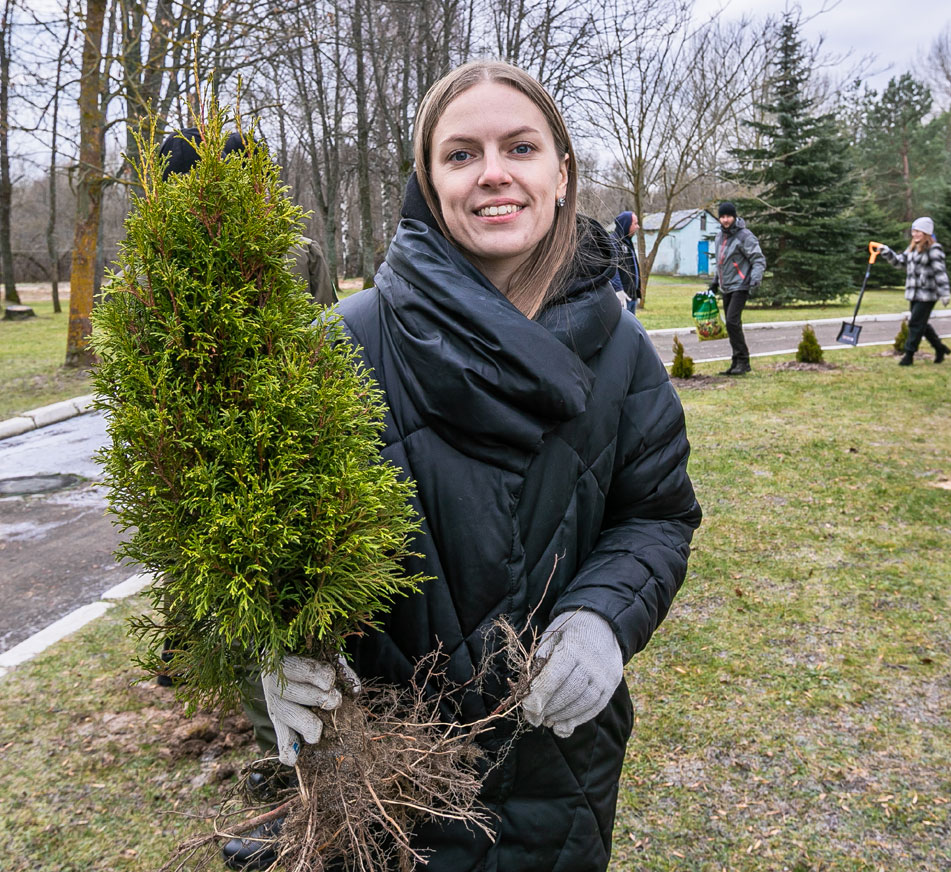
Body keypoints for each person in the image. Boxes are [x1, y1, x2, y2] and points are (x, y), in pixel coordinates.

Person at [226, 61, 701, 872]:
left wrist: (602, 617)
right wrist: (267, 659)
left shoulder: (622, 351)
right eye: (460, 154)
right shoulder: (344, 344)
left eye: (520, 147)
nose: (493, 174)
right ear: (429, 181)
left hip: (560, 769)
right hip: (382, 775)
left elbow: (655, 514)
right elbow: (247, 541)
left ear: (561, 172)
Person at [158, 128, 339, 307]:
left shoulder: (302, 253)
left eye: (266, 184)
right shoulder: (298, 251)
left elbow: (331, 327)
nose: (264, 194)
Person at [878, 216, 951, 366]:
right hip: (914, 293)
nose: (915, 234)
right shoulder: (912, 248)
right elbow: (899, 263)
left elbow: (940, 273)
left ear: (926, 233)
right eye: (914, 231)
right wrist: (887, 252)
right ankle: (940, 348)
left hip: (928, 294)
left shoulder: (934, 249)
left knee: (915, 324)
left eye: (918, 231)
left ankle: (908, 355)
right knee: (921, 324)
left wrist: (945, 293)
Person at [707, 201, 765, 375]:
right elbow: (722, 264)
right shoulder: (720, 237)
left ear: (734, 217)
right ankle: (736, 362)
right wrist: (715, 282)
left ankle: (743, 361)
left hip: (741, 285)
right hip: (726, 287)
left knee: (732, 321)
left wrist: (755, 279)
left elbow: (758, 259)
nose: (725, 220)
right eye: (722, 217)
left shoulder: (745, 236)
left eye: (728, 216)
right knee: (732, 324)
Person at [610, 211, 641, 314]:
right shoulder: (614, 242)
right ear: (626, 224)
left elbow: (634, 268)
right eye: (635, 223)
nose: (638, 227)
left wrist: (637, 292)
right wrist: (618, 290)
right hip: (622, 298)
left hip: (631, 296)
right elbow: (613, 266)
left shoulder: (628, 242)